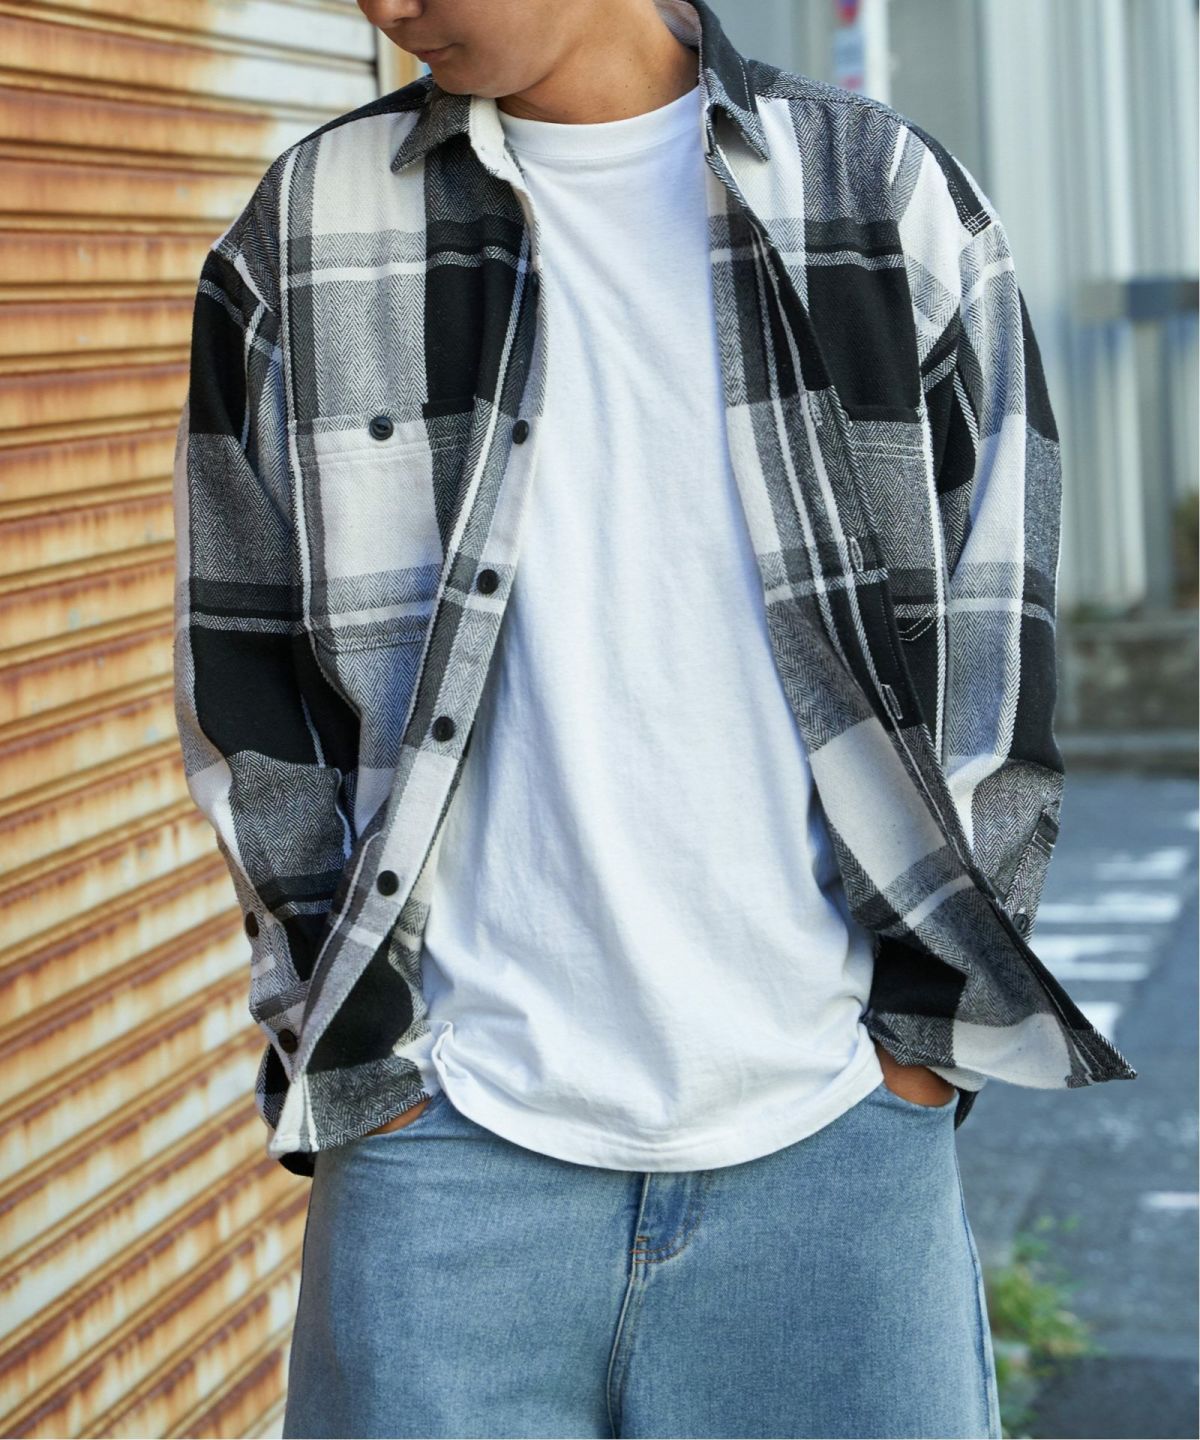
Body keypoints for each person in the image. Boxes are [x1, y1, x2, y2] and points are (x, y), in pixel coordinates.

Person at [171, 0, 1137, 1435]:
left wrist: (917, 1058)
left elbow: (998, 641)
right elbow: (244, 679)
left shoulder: (880, 203)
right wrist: (360, 1046)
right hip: (448, 1163)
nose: (381, 7)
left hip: (834, 1148)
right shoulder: (306, 229)